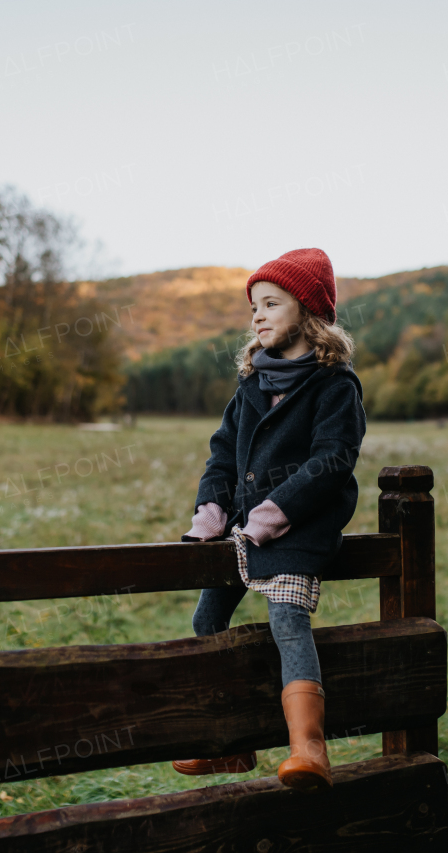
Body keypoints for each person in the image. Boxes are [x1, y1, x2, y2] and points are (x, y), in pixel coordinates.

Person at [174, 247, 366, 792]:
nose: (257, 316)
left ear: (307, 312)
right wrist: (211, 511)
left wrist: (276, 511)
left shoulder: (335, 386)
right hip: (239, 531)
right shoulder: (251, 385)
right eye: (253, 306)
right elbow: (221, 454)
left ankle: (309, 748)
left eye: (271, 304)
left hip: (297, 531)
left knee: (287, 623)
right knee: (206, 622)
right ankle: (230, 747)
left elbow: (332, 460)